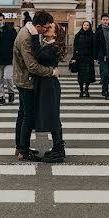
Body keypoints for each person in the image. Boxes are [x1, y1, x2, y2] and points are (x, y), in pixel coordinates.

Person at [13, 10, 60, 161]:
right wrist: (51, 72)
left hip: (23, 79)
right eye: (44, 28)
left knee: (23, 113)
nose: (45, 31)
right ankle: (24, 150)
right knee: (28, 115)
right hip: (26, 80)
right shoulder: (27, 37)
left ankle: (20, 146)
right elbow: (32, 65)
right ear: (37, 26)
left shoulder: (27, 32)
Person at [29, 23, 67, 162]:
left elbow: (39, 55)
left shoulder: (53, 47)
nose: (46, 29)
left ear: (55, 34)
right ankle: (58, 147)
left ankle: (59, 149)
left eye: (50, 28)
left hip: (49, 85)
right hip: (45, 83)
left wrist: (34, 36)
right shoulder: (48, 44)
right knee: (51, 115)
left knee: (53, 116)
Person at [0, 13, 17, 105]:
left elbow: (15, 43)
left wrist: (13, 53)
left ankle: (11, 92)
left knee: (8, 77)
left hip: (8, 59)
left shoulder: (10, 30)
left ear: (4, 20)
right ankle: (1, 97)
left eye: (1, 20)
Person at [70, 20, 96, 98]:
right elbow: (75, 47)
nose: (86, 26)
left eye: (87, 25)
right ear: (82, 26)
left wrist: (95, 57)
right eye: (84, 25)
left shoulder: (92, 35)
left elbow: (94, 47)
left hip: (89, 58)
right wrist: (74, 57)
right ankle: (81, 91)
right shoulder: (78, 35)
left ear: (89, 26)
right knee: (81, 75)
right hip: (80, 58)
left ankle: (86, 89)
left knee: (88, 74)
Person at [93, 14, 109, 99]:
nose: (105, 21)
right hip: (102, 56)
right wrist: (95, 57)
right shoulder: (98, 31)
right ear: (101, 21)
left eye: (106, 19)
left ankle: (104, 84)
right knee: (105, 73)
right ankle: (106, 91)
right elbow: (95, 45)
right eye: (104, 20)